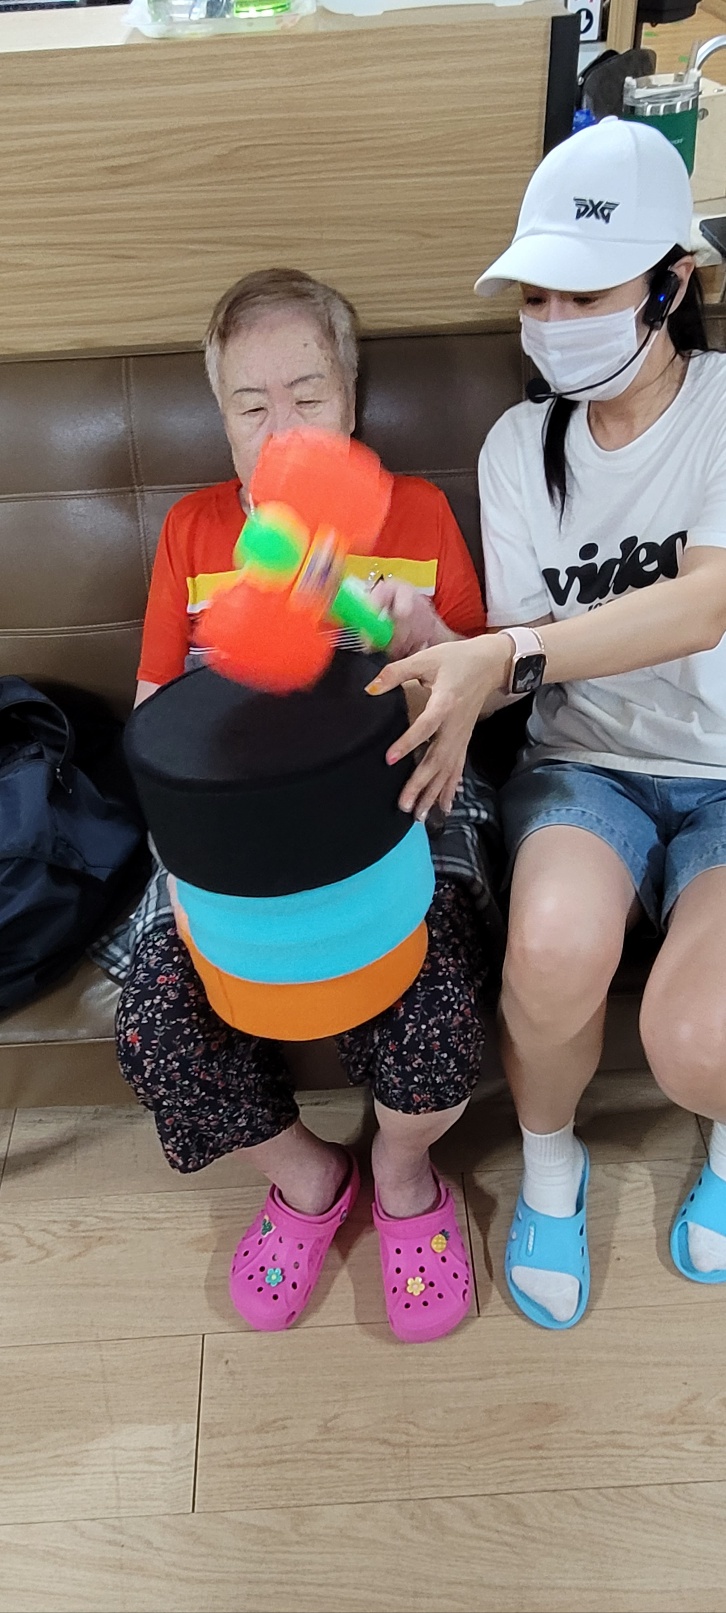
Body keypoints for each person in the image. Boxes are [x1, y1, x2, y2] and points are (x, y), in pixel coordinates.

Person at [370, 117, 726, 1329]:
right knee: (553, 949)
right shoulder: (519, 447)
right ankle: (552, 1160)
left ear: (675, 280)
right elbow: (528, 658)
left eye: (587, 290)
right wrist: (444, 645)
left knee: (700, 1041)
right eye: (537, 293)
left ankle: (722, 1140)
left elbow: (705, 603)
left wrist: (508, 650)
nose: (554, 317)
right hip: (588, 770)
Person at [113, 266, 499, 1344]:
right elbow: (152, 716)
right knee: (152, 1018)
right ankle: (306, 1176)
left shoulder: (416, 513)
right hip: (230, 833)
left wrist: (418, 633)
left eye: (308, 394)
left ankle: (403, 1169)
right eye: (251, 405)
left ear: (353, 399)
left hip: (404, 799)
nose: (281, 427)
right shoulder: (193, 530)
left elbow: (486, 694)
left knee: (442, 998)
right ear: (223, 420)